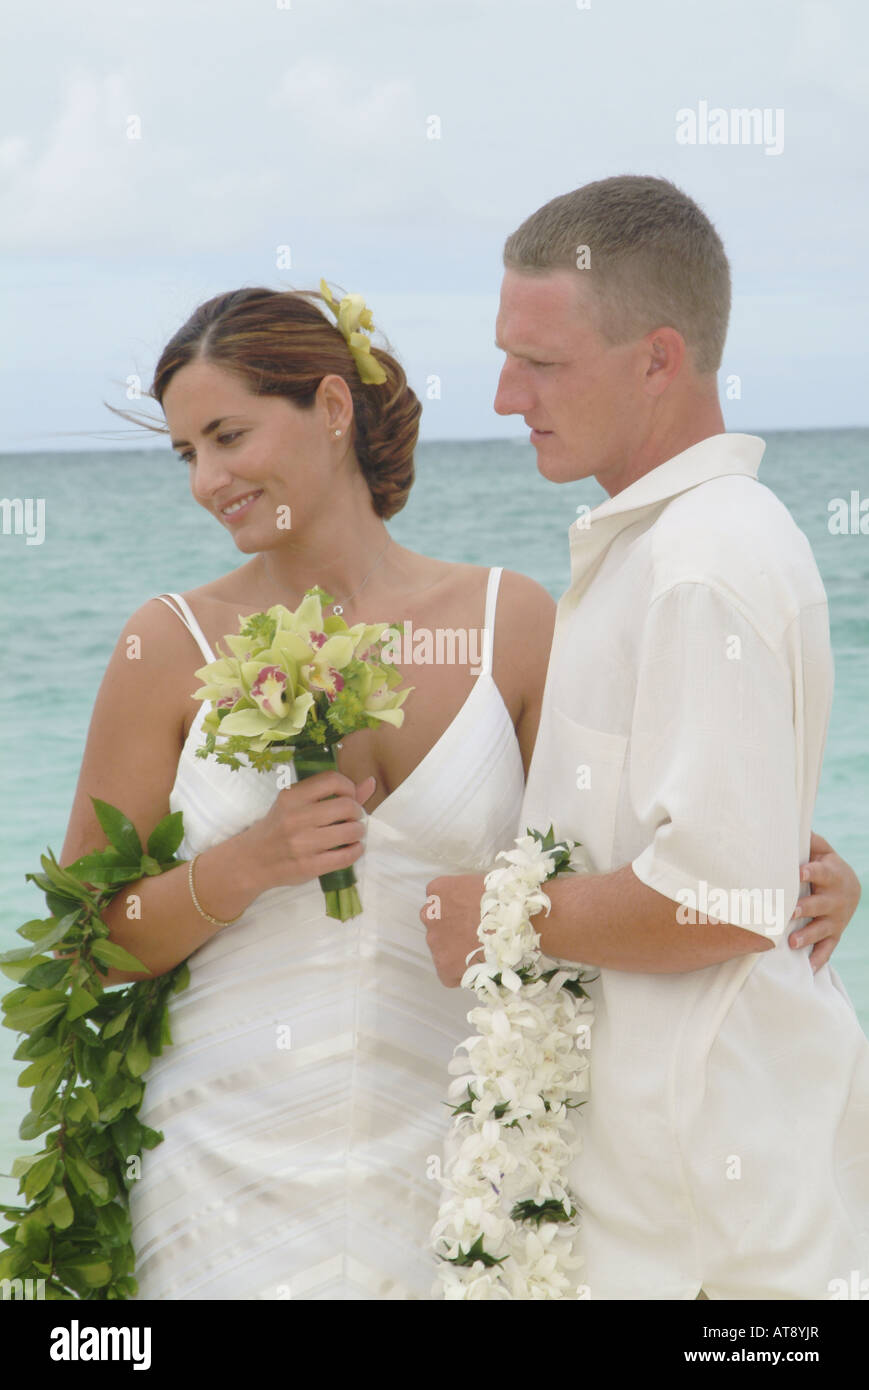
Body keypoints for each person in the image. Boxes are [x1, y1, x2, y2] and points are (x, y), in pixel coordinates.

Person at [59, 276, 857, 1301]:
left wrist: (800, 870)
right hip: (219, 1163)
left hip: (455, 1162)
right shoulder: (164, 644)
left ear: (333, 409)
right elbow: (86, 943)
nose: (207, 479)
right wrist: (241, 864)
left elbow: (645, 827)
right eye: (187, 453)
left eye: (227, 435)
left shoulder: (509, 622)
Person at [424, 175, 869, 1300]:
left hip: (706, 1212)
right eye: (503, 354)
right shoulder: (667, 546)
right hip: (666, 1185)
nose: (500, 394)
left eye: (541, 363)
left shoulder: (698, 560)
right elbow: (727, 862)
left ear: (657, 359)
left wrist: (495, 921)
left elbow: (714, 900)